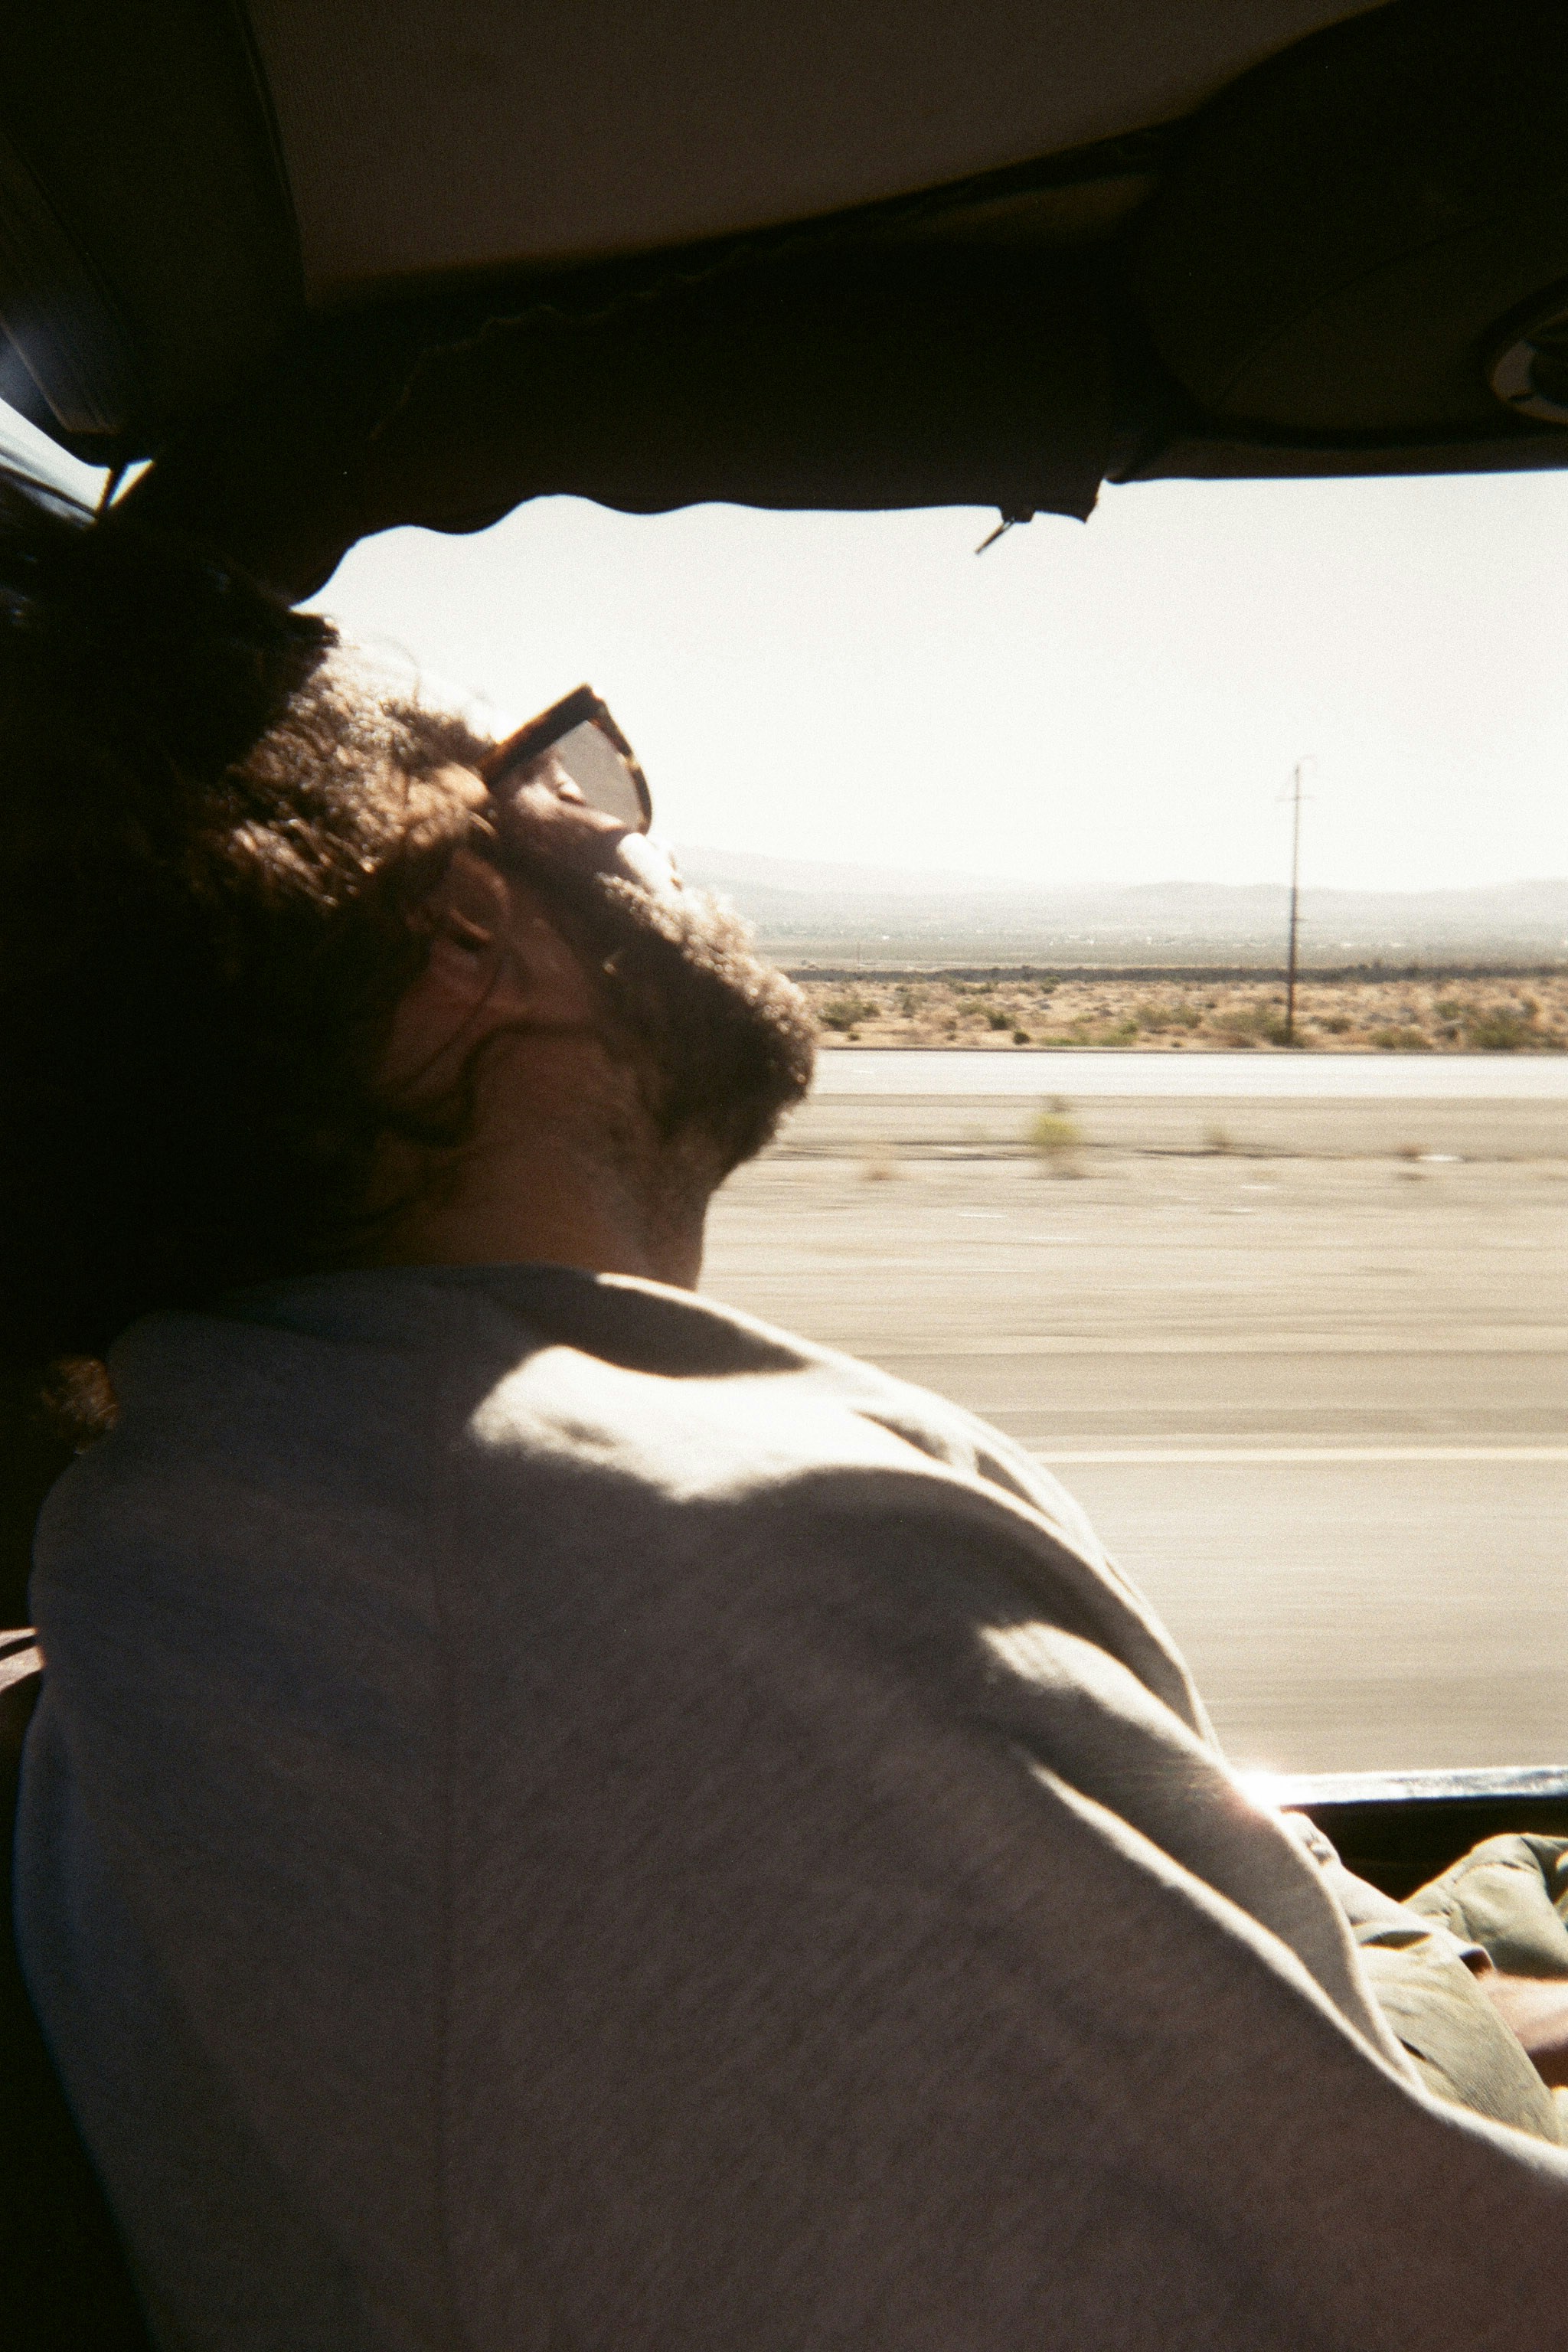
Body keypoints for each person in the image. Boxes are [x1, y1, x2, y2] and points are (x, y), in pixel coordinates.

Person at [7, 476, 1568, 2352]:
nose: (651, 837)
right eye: (581, 782)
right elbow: (1445, 2277)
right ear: (459, 939)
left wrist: (1395, 1982)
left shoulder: (209, 1512)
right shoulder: (678, 1549)